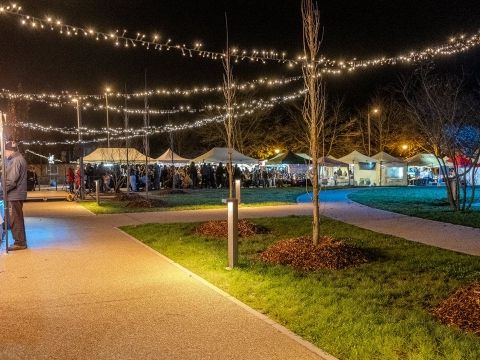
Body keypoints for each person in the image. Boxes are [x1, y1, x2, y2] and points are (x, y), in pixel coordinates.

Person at [0, 141, 28, 251]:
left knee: (15, 219)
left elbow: (11, 181)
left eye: (4, 152)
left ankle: (20, 242)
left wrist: (1, 191)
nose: (3, 155)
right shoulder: (17, 159)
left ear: (9, 151)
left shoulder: (15, 160)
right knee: (17, 218)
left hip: (14, 195)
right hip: (15, 194)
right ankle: (20, 241)